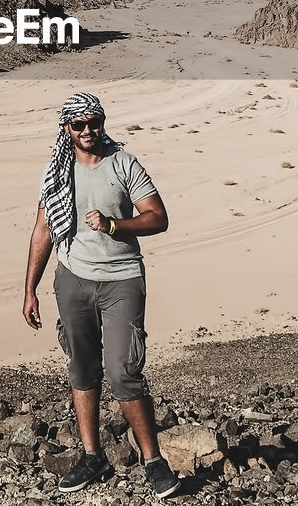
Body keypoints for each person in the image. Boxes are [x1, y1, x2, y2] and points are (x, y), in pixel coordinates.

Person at [22, 92, 180, 500]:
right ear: (67, 129)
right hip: (72, 279)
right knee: (82, 369)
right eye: (80, 125)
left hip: (121, 280)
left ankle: (154, 462)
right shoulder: (57, 170)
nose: (89, 131)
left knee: (123, 371)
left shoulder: (124, 164)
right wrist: (30, 290)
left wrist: (113, 225)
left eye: (95, 123)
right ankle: (92, 456)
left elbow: (158, 218)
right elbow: (43, 231)